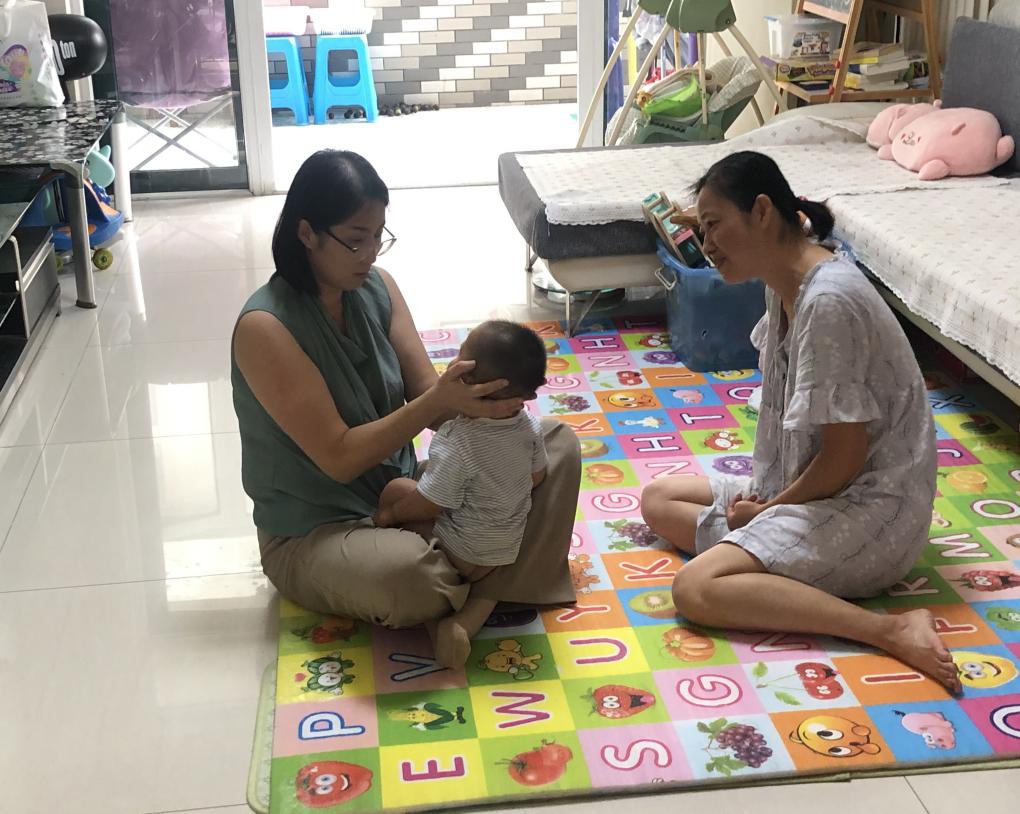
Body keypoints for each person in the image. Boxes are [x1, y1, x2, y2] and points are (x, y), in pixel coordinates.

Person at [231, 150, 579, 668]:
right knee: (407, 577)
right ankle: (494, 580)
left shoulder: (378, 286)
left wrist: (494, 405)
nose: (370, 253)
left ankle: (468, 599)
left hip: (413, 495)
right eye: (356, 239)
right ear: (307, 234)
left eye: (379, 236)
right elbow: (340, 457)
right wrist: (442, 401)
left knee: (557, 445)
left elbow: (429, 397)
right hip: (318, 529)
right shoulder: (265, 328)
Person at [640, 151, 959, 692]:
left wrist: (768, 513)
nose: (706, 245)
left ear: (763, 211)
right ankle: (764, 562)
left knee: (694, 589)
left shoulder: (829, 301)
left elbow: (843, 458)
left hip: (872, 511)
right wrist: (766, 508)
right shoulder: (783, 283)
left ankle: (889, 628)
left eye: (714, 225)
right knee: (659, 499)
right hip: (809, 487)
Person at [374, 320, 548, 585]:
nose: (454, 359)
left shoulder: (459, 441)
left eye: (461, 354)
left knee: (397, 489)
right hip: (505, 549)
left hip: (461, 553)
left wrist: (392, 514)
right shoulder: (530, 426)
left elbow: (430, 503)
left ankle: (445, 582)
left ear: (465, 377)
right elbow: (537, 476)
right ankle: (486, 594)